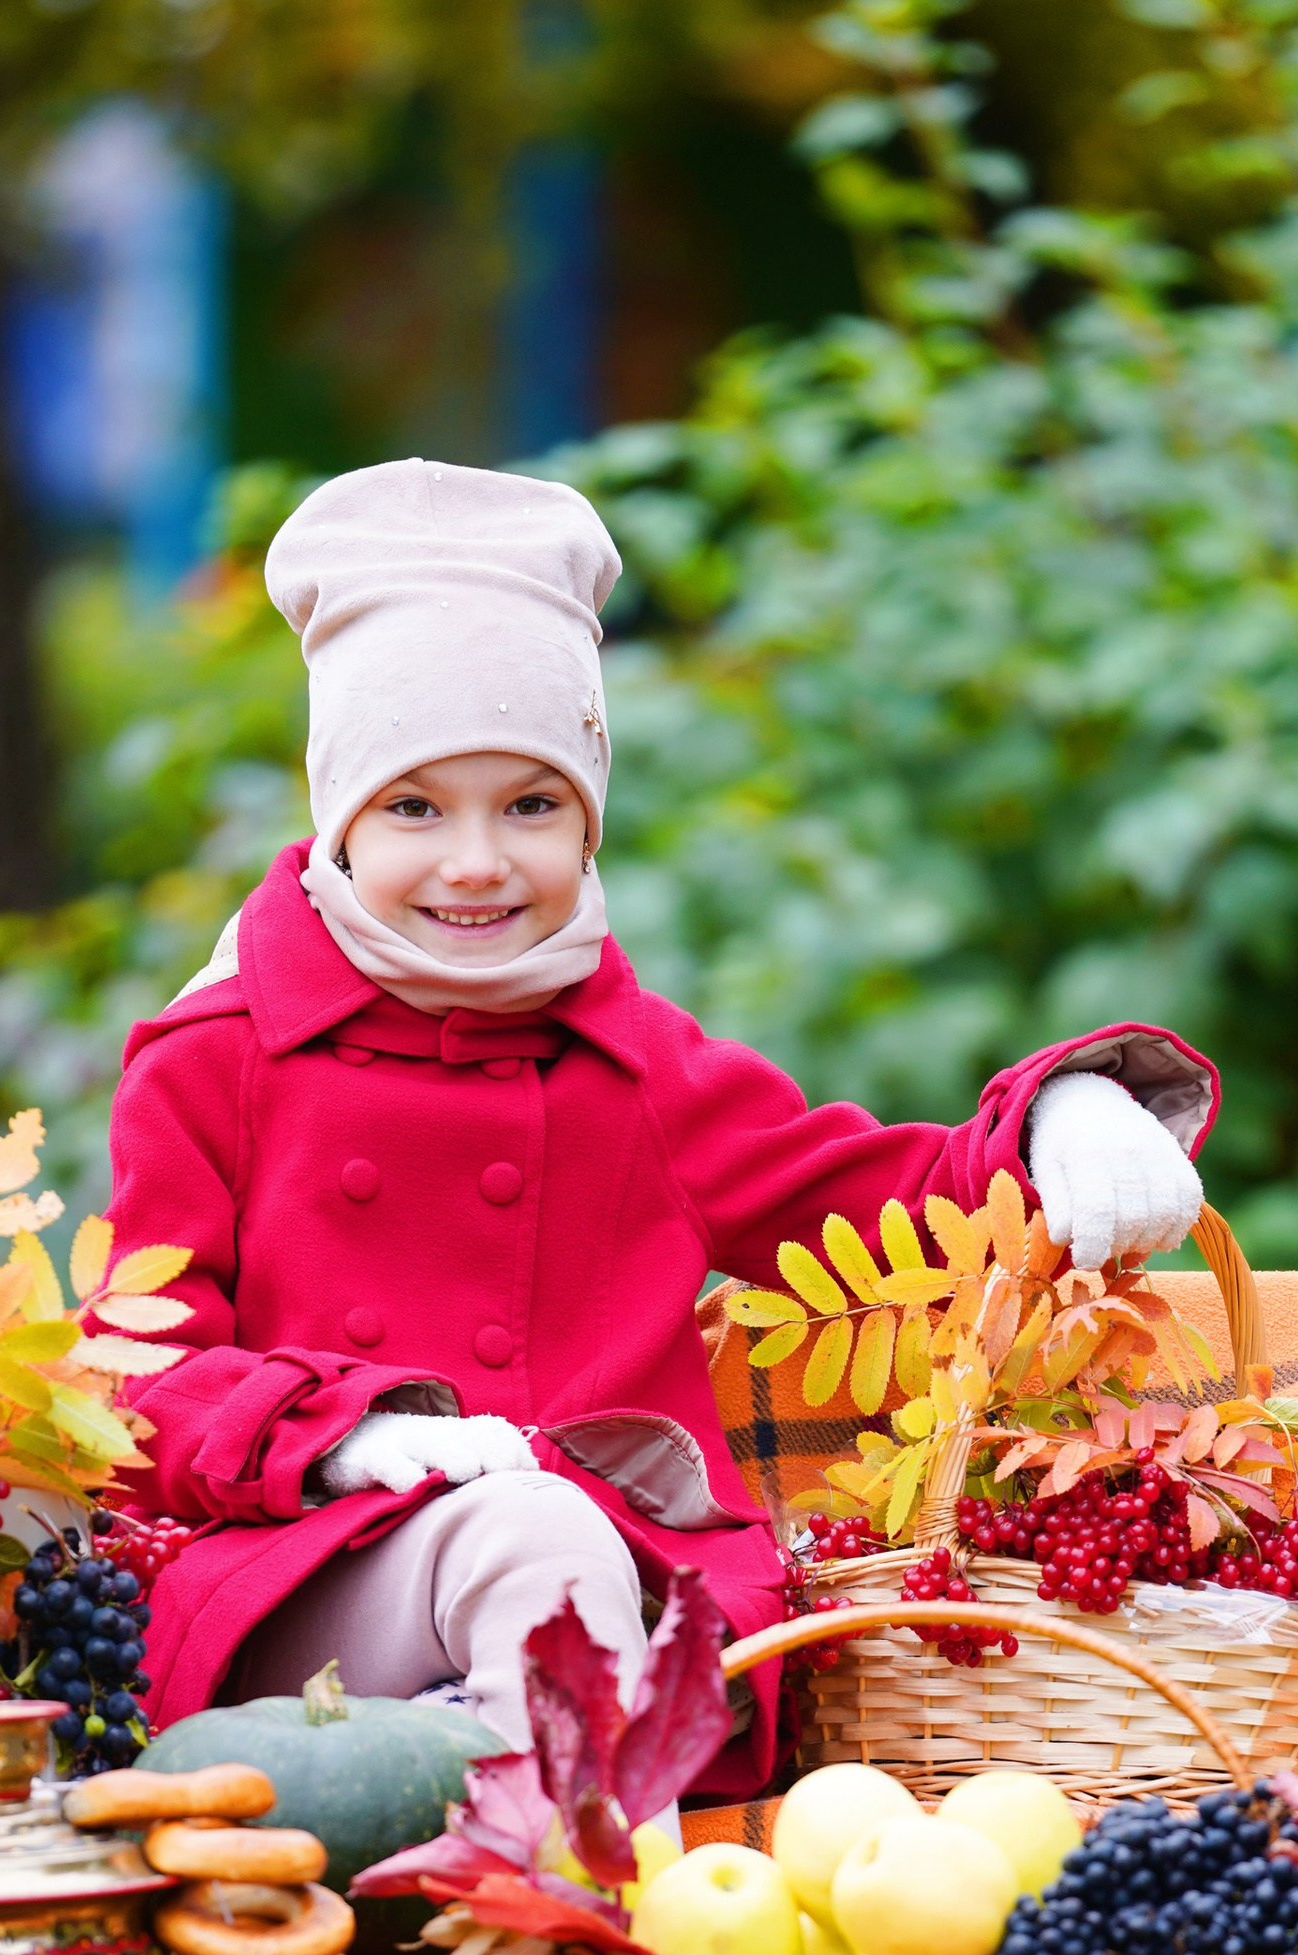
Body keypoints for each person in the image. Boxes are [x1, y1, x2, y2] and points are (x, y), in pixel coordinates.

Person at [103, 458, 1218, 1800]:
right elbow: (131, 1386)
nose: (475, 862)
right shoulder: (214, 1059)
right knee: (525, 1540)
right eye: (413, 806)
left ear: (588, 820)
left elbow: (888, 1207)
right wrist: (341, 1435)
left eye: (530, 805)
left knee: (553, 1548)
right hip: (301, 1587)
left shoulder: (635, 1070)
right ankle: (537, 1878)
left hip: (606, 1599)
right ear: (338, 817)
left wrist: (1062, 1116)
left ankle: (512, 1831)